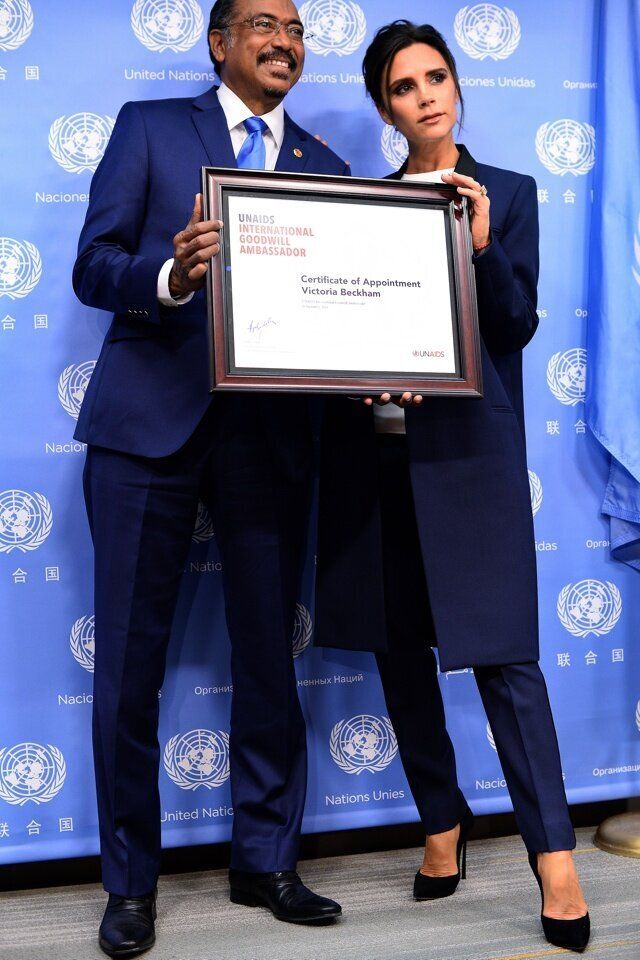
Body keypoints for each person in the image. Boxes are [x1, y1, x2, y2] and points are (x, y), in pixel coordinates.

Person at [72, 1, 348, 955]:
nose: (285, 40)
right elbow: (92, 264)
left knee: (270, 659)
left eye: (298, 26)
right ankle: (130, 885)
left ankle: (266, 862)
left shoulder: (328, 169)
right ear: (219, 42)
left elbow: (340, 315)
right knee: (128, 672)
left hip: (271, 442)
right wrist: (170, 278)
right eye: (264, 23)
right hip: (147, 431)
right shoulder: (150, 129)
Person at [315, 20, 590, 954]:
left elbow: (513, 329)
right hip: (376, 461)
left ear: (459, 85)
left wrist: (479, 242)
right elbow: (342, 333)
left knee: (507, 661)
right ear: (383, 106)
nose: (426, 95)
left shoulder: (508, 194)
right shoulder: (366, 206)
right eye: (403, 86)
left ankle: (556, 861)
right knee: (397, 648)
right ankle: (443, 821)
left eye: (437, 77)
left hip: (469, 461)